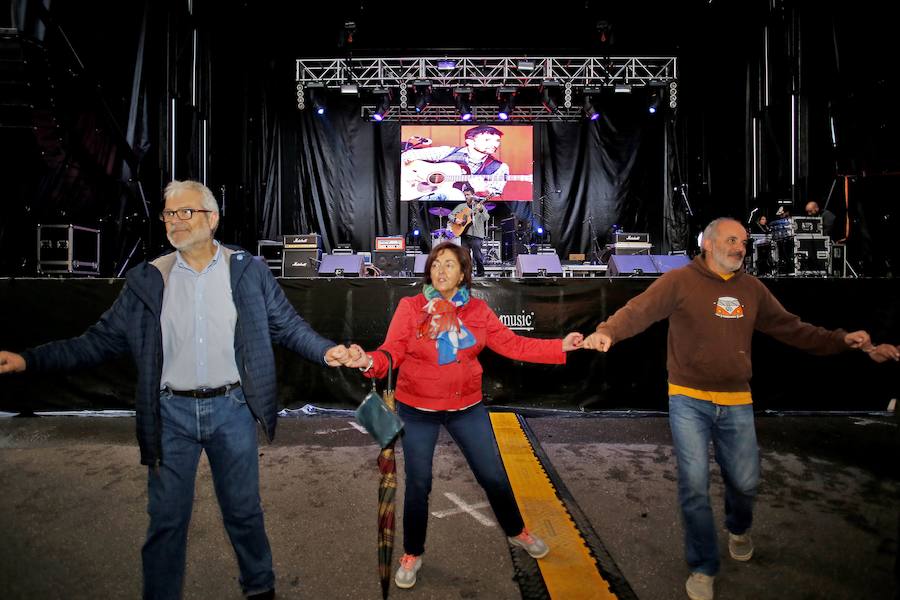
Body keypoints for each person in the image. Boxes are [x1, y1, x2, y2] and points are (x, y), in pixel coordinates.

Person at [0, 180, 357, 600]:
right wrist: (28, 360)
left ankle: (260, 589)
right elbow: (97, 341)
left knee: (243, 512)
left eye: (186, 212)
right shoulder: (149, 278)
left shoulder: (248, 270)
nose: (175, 221)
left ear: (213, 218)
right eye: (169, 213)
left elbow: (288, 325)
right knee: (166, 520)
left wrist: (326, 351)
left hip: (233, 410)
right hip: (170, 416)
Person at [578, 217, 878, 600]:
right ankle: (703, 567)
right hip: (687, 398)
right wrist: (607, 331)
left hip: (737, 400)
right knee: (694, 485)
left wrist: (839, 340)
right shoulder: (679, 281)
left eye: (744, 242)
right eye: (732, 240)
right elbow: (639, 310)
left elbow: (792, 328)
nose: (740, 248)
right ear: (708, 244)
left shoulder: (752, 288)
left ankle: (738, 526)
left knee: (746, 482)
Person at [343, 242, 583, 590]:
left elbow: (513, 344)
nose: (440, 270)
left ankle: (517, 531)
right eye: (435, 264)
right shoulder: (411, 307)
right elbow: (391, 352)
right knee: (418, 484)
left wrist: (559, 346)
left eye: (449, 265)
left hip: (466, 408)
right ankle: (412, 553)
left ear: (462, 274)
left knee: (493, 476)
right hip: (418, 409)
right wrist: (367, 361)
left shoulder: (477, 311)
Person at [401, 125, 509, 201]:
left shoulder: (499, 167)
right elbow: (407, 155)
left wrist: (483, 191)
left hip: (462, 207)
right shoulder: (448, 151)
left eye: (497, 141)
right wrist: (414, 174)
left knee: (455, 194)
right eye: (487, 140)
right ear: (470, 142)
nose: (494, 144)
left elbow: (494, 194)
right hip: (422, 195)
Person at [449, 183, 490, 276]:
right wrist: (456, 220)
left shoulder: (480, 206)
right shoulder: (461, 206)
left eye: (468, 194)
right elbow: (450, 215)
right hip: (465, 235)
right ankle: (467, 274)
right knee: (465, 257)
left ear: (473, 195)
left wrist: (481, 210)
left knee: (477, 256)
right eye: (465, 195)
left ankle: (481, 274)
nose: (466, 196)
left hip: (477, 235)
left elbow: (486, 218)